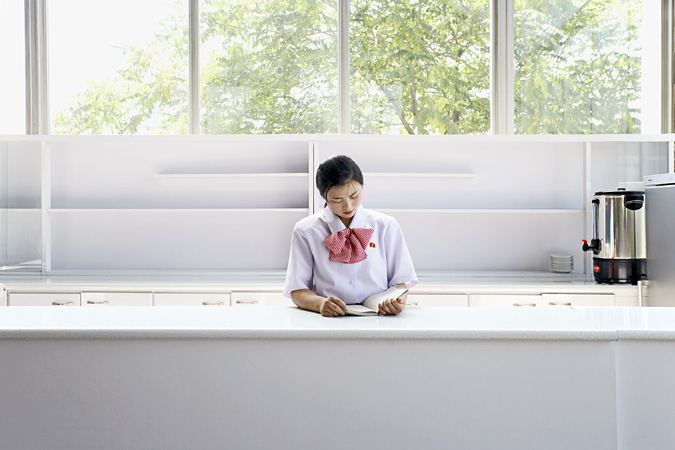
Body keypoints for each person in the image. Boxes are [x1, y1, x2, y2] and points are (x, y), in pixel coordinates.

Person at [283, 155, 418, 317]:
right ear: (322, 196)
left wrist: (398, 303)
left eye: (354, 196)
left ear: (362, 186)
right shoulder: (306, 230)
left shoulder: (386, 225)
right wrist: (321, 304)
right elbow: (297, 291)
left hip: (380, 319)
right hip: (329, 320)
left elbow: (400, 283)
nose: (348, 206)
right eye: (337, 199)